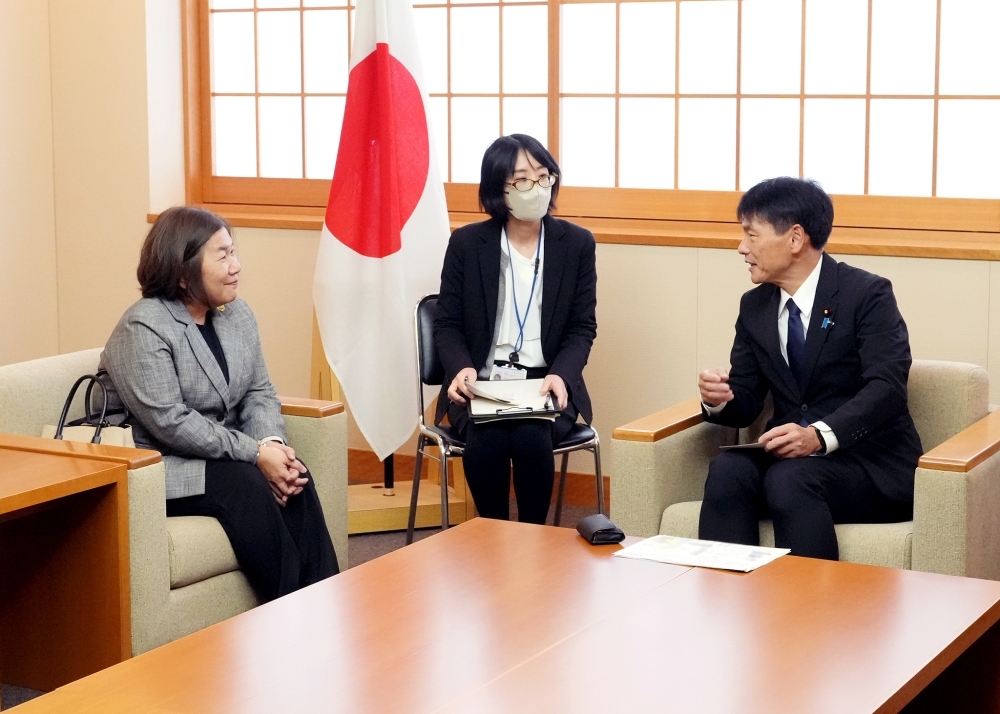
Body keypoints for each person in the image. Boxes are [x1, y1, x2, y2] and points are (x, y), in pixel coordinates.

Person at [101, 206, 339, 602]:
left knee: (294, 474)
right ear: (182, 270)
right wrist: (254, 453)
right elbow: (171, 423)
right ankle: (292, 610)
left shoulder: (236, 315)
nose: (237, 266)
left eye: (234, 252)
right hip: (156, 464)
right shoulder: (143, 326)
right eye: (223, 255)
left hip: (218, 457)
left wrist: (274, 446)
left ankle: (327, 604)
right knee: (245, 482)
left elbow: (259, 392)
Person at [698, 177, 922, 560]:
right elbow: (748, 401)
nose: (742, 248)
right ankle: (726, 603)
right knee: (728, 469)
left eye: (752, 236)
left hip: (867, 463)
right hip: (792, 459)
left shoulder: (866, 294)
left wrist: (818, 436)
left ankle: (812, 612)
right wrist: (721, 399)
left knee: (790, 479)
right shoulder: (755, 307)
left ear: (795, 238)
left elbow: (886, 387)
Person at [434, 134, 598, 524]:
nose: (537, 188)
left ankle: (532, 539)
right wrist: (460, 369)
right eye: (522, 180)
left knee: (530, 435)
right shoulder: (467, 243)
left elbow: (581, 327)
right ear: (498, 189)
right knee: (487, 434)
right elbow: (447, 323)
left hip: (546, 383)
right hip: (481, 382)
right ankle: (491, 537)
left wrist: (562, 374)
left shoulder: (575, 244)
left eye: (544, 177)